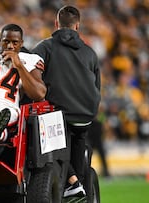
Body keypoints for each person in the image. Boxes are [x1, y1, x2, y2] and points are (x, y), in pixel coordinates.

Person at [31, 5, 101, 198]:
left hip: (59, 113)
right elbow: (98, 86)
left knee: (48, 145)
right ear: (77, 26)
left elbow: (33, 77)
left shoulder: (45, 47)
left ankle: (71, 181)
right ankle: (77, 183)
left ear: (56, 24)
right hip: (86, 115)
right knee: (79, 141)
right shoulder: (90, 53)